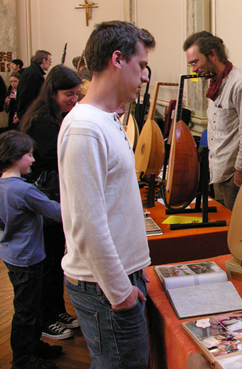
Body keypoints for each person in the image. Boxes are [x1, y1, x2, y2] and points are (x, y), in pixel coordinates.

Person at [58, 20, 155, 368]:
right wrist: (120, 294)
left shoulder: (105, 119)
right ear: (117, 59)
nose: (144, 77)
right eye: (141, 65)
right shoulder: (86, 127)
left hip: (116, 280)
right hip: (105, 288)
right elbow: (88, 225)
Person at [20, 65, 82, 341]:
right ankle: (46, 319)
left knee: (56, 258)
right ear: (53, 92)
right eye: (69, 94)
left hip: (53, 197)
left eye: (76, 94)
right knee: (47, 263)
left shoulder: (54, 114)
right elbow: (56, 158)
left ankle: (56, 311)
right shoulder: (42, 121)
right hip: (46, 199)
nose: (74, 99)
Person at [0, 130, 62, 369]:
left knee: (30, 306)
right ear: (16, 158)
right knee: (26, 311)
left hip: (13, 255)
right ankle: (23, 360)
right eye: (29, 155)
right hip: (28, 258)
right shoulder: (24, 190)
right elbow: (57, 213)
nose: (33, 160)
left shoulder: (5, 186)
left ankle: (34, 347)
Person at [183, 31, 242, 210]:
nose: (193, 69)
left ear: (212, 55)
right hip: (219, 174)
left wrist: (241, 173)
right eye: (191, 64)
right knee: (222, 233)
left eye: (195, 62)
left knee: (239, 233)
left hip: (236, 178)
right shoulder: (215, 85)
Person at [16, 50, 52, 123]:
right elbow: (27, 96)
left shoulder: (33, 71)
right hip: (30, 114)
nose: (50, 64)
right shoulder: (33, 73)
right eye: (49, 61)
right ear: (44, 60)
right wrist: (21, 114)